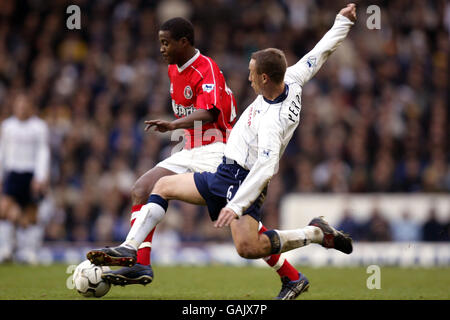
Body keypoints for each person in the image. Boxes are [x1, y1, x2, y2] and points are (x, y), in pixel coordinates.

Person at [88, 4, 356, 299]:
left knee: (248, 248)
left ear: (266, 78)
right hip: (226, 167)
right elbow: (319, 53)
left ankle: (314, 234)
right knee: (161, 187)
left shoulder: (271, 122)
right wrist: (341, 22)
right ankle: (134, 256)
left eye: (253, 73)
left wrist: (236, 205)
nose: (248, 77)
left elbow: (266, 168)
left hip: (239, 177)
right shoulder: (291, 78)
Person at [0, 93, 50, 263]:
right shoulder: (8, 126)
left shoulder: (39, 126)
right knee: (5, 210)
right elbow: (2, 152)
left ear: (30, 107)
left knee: (31, 213)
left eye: (24, 105)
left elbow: (43, 152)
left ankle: (29, 250)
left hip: (30, 173)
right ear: (15, 107)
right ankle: (6, 248)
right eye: (19, 105)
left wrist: (40, 176)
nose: (21, 108)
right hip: (13, 171)